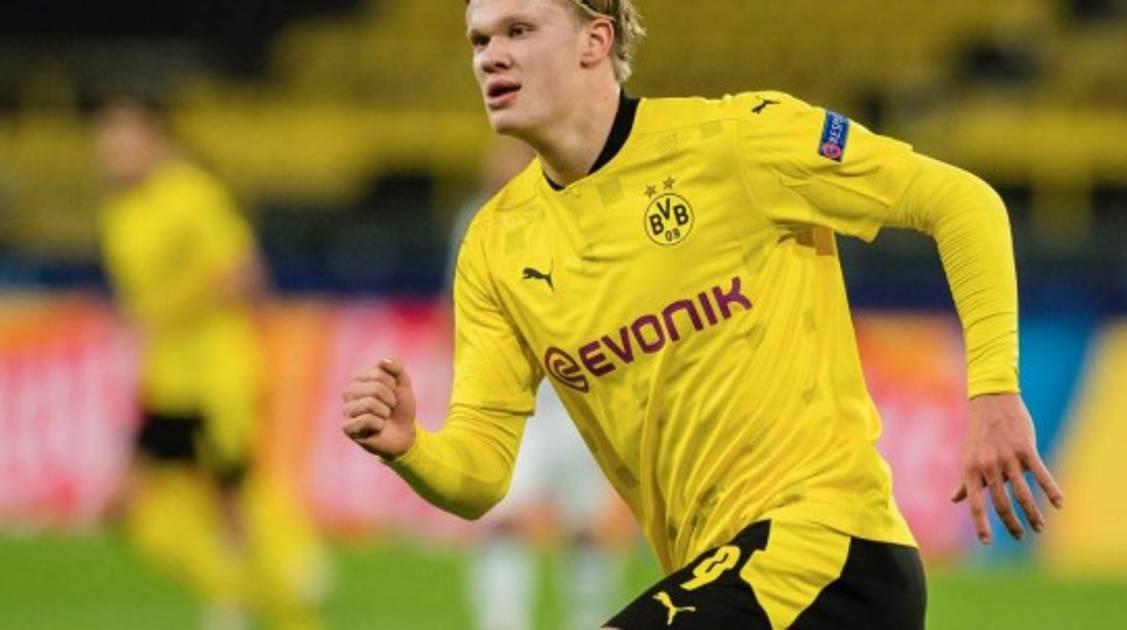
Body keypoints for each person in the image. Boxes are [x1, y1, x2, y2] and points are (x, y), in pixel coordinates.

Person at [341, 1, 1065, 628]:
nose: (491, 56)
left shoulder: (738, 142)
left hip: (829, 554)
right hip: (715, 574)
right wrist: (410, 448)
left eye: (518, 31)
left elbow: (962, 203)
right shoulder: (495, 246)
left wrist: (995, 393)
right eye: (479, 39)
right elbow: (481, 476)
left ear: (595, 40)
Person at [95, 95, 327, 630]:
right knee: (130, 505)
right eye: (106, 144)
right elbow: (138, 305)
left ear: (155, 139)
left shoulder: (192, 193)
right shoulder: (117, 216)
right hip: (168, 380)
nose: (113, 153)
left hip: (222, 373)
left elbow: (243, 273)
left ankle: (283, 597)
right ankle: (240, 587)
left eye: (124, 141)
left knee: (232, 500)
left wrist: (169, 312)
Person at [450, 138, 630, 630]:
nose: (501, 167)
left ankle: (591, 618)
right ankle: (502, 621)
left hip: (580, 393)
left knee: (587, 522)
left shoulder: (581, 213)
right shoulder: (477, 225)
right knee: (503, 514)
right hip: (514, 396)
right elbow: (460, 311)